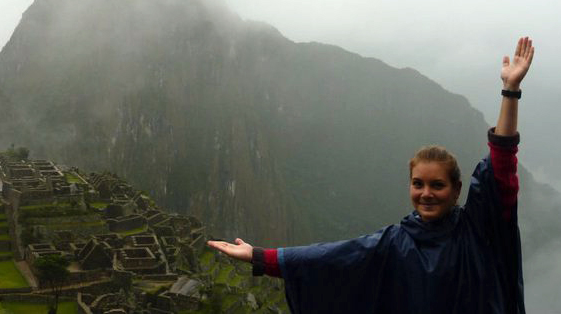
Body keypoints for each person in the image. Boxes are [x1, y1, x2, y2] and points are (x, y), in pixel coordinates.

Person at [208, 37, 534, 314]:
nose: (426, 193)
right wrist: (259, 257)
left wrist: (510, 91)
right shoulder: (395, 243)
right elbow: (331, 258)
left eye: (437, 185)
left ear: (456, 189)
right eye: (418, 184)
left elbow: (500, 166)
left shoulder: (476, 230)